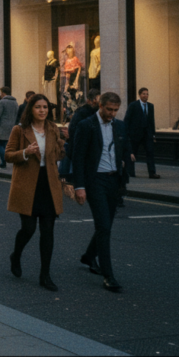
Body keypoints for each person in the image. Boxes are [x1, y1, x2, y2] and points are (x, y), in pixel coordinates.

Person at [72, 92, 133, 293]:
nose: (112, 114)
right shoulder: (86, 125)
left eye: (115, 110)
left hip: (114, 180)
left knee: (106, 226)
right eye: (109, 109)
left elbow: (123, 149)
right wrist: (79, 187)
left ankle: (89, 256)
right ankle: (108, 275)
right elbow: (78, 157)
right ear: (100, 106)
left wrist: (125, 165)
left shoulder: (120, 125)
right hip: (95, 181)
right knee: (104, 226)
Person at [5, 94, 64, 291]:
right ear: (31, 109)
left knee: (48, 231)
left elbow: (58, 154)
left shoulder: (53, 129)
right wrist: (25, 153)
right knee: (29, 229)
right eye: (38, 107)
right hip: (27, 185)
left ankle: (45, 275)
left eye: (45, 107)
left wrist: (63, 146)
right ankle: (16, 255)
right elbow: (8, 155)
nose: (42, 110)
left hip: (48, 184)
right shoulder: (19, 130)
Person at [124, 88, 160, 179]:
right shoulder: (133, 105)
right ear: (139, 95)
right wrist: (126, 131)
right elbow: (127, 119)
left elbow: (152, 121)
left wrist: (153, 134)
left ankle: (152, 173)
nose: (145, 96)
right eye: (144, 94)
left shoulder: (150, 106)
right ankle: (130, 172)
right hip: (135, 133)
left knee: (150, 152)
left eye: (147, 94)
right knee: (133, 152)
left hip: (147, 134)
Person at [0, 87, 18, 169]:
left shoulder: (2, 102)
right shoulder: (15, 103)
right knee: (5, 144)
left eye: (1, 93)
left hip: (2, 127)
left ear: (3, 93)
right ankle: (4, 160)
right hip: (11, 127)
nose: (0, 95)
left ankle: (4, 161)